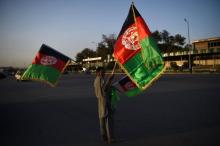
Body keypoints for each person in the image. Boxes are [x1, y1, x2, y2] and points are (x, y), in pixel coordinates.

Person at [94, 67, 115, 143]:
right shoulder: (100, 79)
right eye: (102, 72)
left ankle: (104, 136)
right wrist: (110, 79)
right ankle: (110, 138)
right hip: (104, 101)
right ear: (98, 72)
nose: (104, 73)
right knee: (108, 120)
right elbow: (105, 90)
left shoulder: (96, 80)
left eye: (104, 71)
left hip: (100, 101)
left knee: (102, 119)